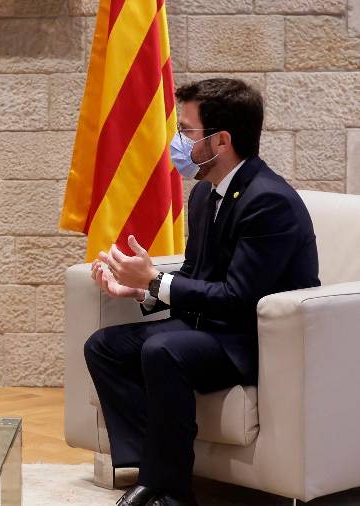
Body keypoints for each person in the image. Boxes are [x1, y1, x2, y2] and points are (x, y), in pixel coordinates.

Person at [84, 78, 320, 506]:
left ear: (221, 140)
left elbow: (237, 298)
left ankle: (172, 494)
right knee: (104, 346)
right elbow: (196, 273)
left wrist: (154, 279)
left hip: (250, 340)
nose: (177, 142)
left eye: (187, 132)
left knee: (163, 351)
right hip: (209, 328)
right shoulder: (203, 195)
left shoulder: (268, 201)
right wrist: (138, 291)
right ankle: (150, 473)